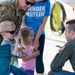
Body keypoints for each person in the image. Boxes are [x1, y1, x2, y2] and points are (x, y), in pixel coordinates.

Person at [21, 0, 50, 75]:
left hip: (39, 34)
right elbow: (22, 20)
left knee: (38, 58)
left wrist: (36, 39)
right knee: (26, 56)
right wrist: (27, 36)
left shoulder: (47, 3)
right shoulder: (27, 1)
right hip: (25, 34)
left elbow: (43, 23)